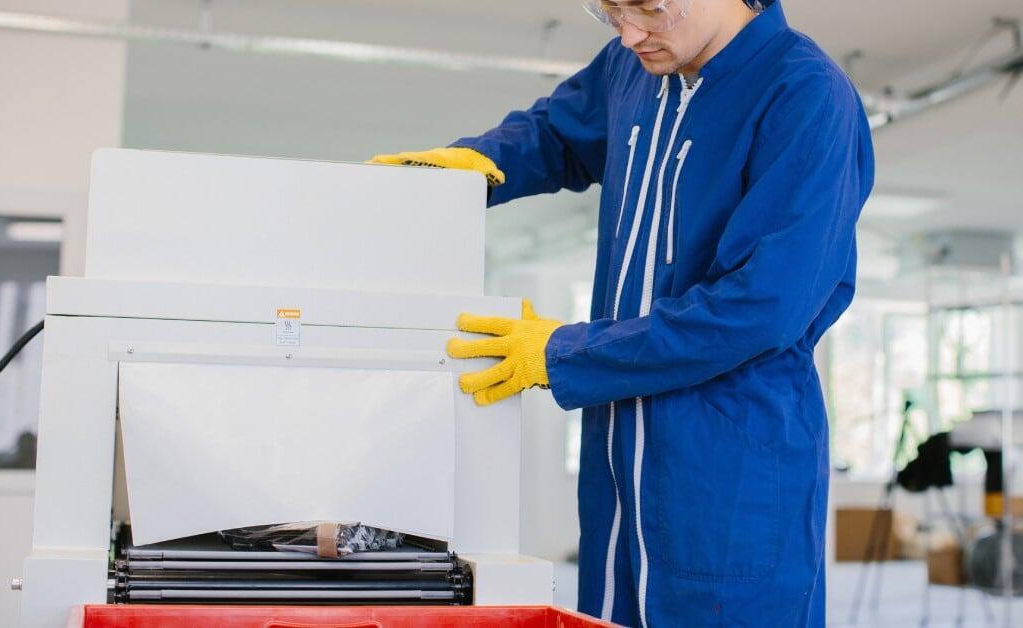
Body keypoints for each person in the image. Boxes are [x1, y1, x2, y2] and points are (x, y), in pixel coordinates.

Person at [370, 0, 873, 625]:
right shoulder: (632, 69)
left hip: (729, 468)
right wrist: (476, 166)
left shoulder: (806, 95)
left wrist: (566, 351)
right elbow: (556, 135)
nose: (630, 33)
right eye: (608, 11)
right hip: (616, 459)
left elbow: (759, 307)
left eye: (648, 9)